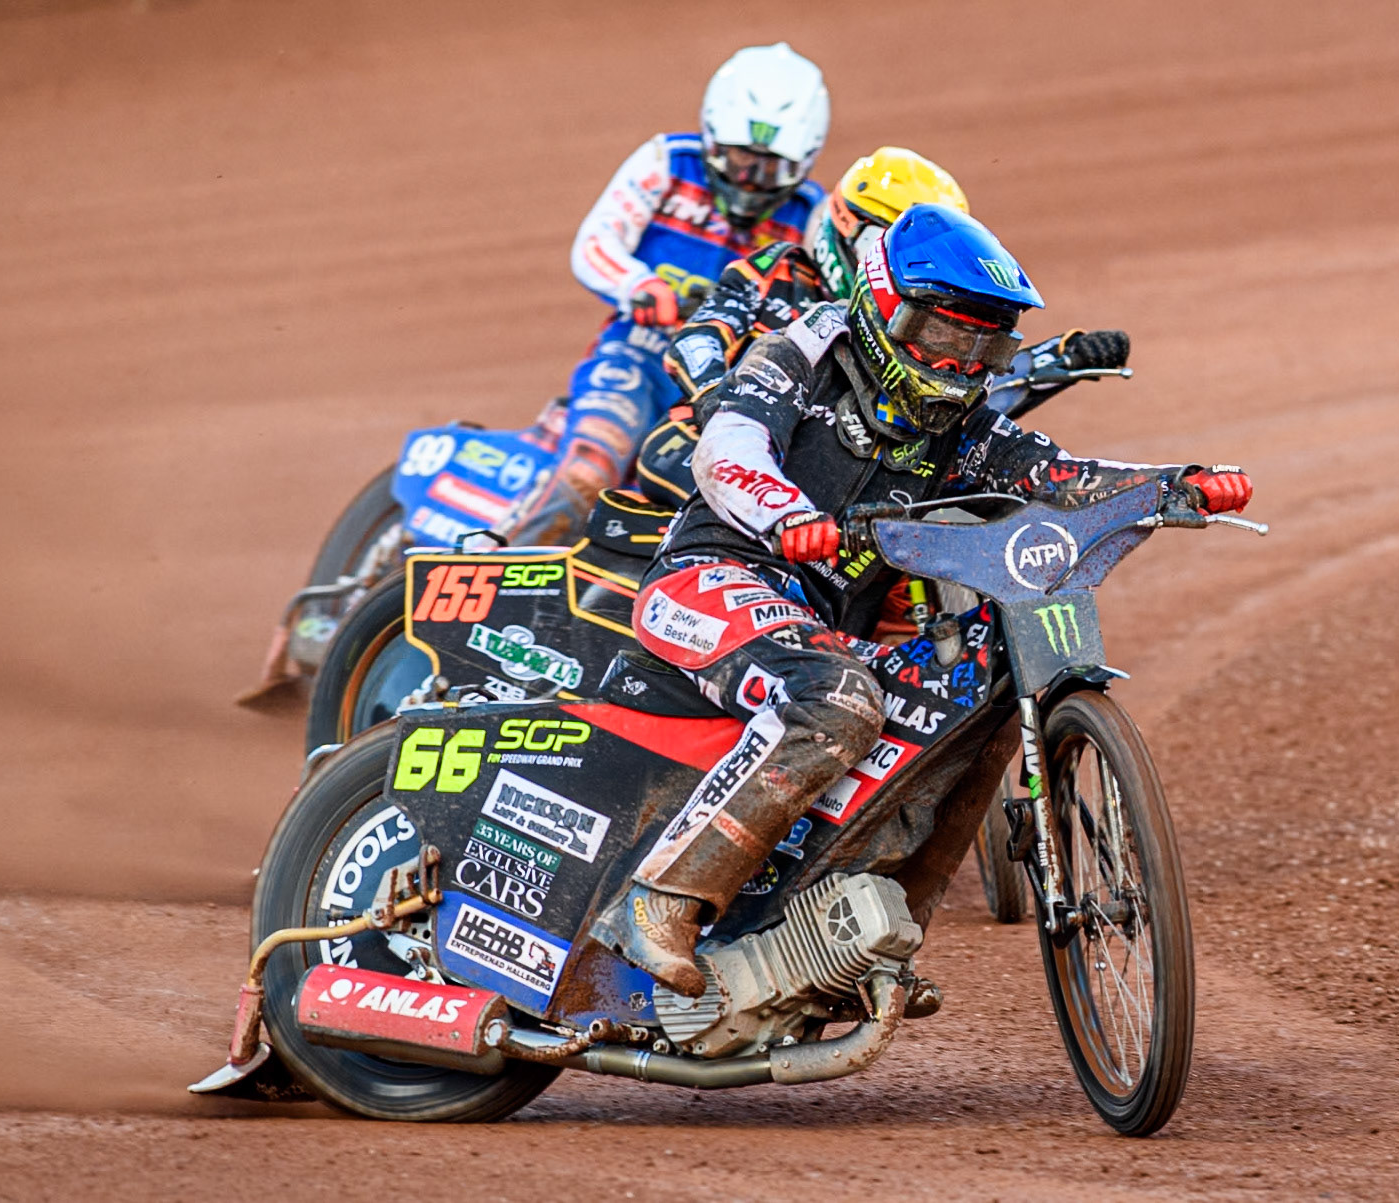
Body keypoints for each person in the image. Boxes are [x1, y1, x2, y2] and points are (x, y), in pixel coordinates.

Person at [588, 205, 1252, 995]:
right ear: (885, 309)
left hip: (820, 626)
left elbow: (1061, 475)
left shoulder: (963, 424)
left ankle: (864, 937)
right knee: (838, 702)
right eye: (945, 337)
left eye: (986, 345)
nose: (964, 361)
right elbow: (727, 447)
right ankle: (658, 901)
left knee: (968, 702)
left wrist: (1176, 486)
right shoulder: (803, 352)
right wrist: (786, 512)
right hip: (707, 578)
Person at [504, 42, 831, 545]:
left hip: (725, 392)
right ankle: (495, 561)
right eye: (741, 158)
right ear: (712, 136)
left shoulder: (812, 216)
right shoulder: (666, 163)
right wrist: (639, 284)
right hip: (638, 360)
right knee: (590, 470)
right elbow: (595, 243)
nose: (749, 180)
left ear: (804, 160)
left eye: (770, 168)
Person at [665, 146, 1135, 412]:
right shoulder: (775, 271)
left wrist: (1057, 359)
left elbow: (956, 394)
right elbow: (696, 341)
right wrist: (720, 400)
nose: (898, 260)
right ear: (844, 223)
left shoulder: (912, 317)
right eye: (883, 240)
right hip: (713, 440)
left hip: (839, 467)